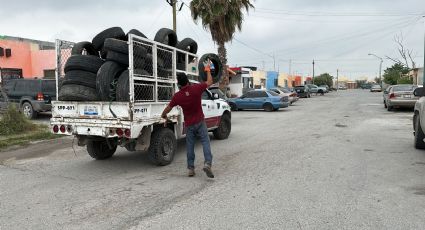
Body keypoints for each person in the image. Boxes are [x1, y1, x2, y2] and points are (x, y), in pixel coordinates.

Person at [161, 60, 214, 178]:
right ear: (188, 81)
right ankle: (207, 164)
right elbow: (210, 81)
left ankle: (191, 169)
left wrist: (163, 115)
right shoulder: (196, 88)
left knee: (190, 145)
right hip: (200, 122)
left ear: (179, 84)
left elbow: (168, 108)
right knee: (205, 142)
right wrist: (208, 69)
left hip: (189, 125)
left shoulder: (177, 96)